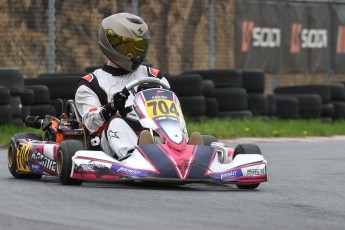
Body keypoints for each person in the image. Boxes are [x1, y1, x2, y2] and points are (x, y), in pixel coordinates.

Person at [75, 12, 170, 160]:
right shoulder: (91, 84)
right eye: (129, 47)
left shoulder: (154, 76)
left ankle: (181, 152)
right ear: (111, 44)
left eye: (139, 46)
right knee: (117, 123)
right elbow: (90, 123)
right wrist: (110, 108)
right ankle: (136, 157)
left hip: (152, 132)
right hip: (111, 143)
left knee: (169, 122)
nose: (136, 53)